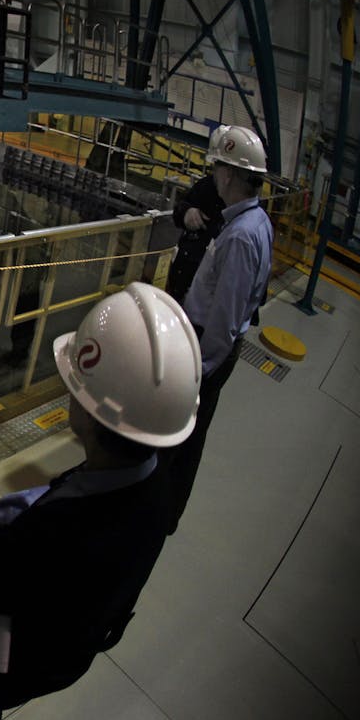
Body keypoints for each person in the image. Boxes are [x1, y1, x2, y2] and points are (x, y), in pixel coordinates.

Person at [0, 282, 201, 720]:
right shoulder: (156, 491)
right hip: (51, 658)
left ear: (91, 412)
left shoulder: (58, 534)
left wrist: (1, 519)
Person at [161, 124, 272, 534]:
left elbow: (224, 318)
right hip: (207, 343)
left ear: (228, 174)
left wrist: (198, 373)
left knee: (184, 441)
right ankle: (164, 512)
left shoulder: (241, 236)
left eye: (219, 169)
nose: (215, 176)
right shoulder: (255, 222)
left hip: (205, 349)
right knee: (186, 438)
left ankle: (163, 516)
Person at [166, 171, 225, 305]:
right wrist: (186, 212)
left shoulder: (241, 218)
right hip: (182, 278)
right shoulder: (207, 185)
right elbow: (180, 209)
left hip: (205, 298)